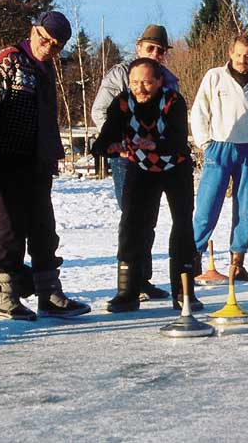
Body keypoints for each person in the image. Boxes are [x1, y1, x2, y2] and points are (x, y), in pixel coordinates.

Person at [0, 11, 90, 320]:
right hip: (6, 161)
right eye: (44, 39)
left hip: (38, 161)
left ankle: (48, 293)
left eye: (55, 45)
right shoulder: (7, 60)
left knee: (43, 229)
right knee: (11, 230)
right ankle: (4, 296)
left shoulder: (46, 68)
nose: (48, 47)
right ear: (33, 30)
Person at [91, 58, 199, 312]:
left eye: (147, 82)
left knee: (182, 224)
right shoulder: (122, 102)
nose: (141, 88)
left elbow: (178, 139)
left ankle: (184, 292)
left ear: (159, 82)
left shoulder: (173, 101)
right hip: (141, 169)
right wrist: (108, 147)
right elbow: (107, 135)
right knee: (132, 224)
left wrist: (154, 145)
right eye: (135, 82)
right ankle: (128, 292)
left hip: (175, 167)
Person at [91, 24, 178, 301]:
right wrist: (122, 141)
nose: (155, 54)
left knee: (149, 217)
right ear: (139, 47)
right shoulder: (120, 74)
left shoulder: (169, 80)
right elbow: (100, 111)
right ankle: (126, 284)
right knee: (131, 217)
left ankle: (143, 279)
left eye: (160, 51)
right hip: (127, 158)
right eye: (150, 48)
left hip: (155, 158)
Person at [190, 34, 248, 281]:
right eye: (239, 54)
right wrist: (205, 142)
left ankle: (237, 262)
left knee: (246, 209)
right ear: (230, 52)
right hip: (219, 147)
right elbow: (199, 110)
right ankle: (193, 257)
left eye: (247, 56)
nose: (242, 60)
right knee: (207, 206)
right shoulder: (215, 77)